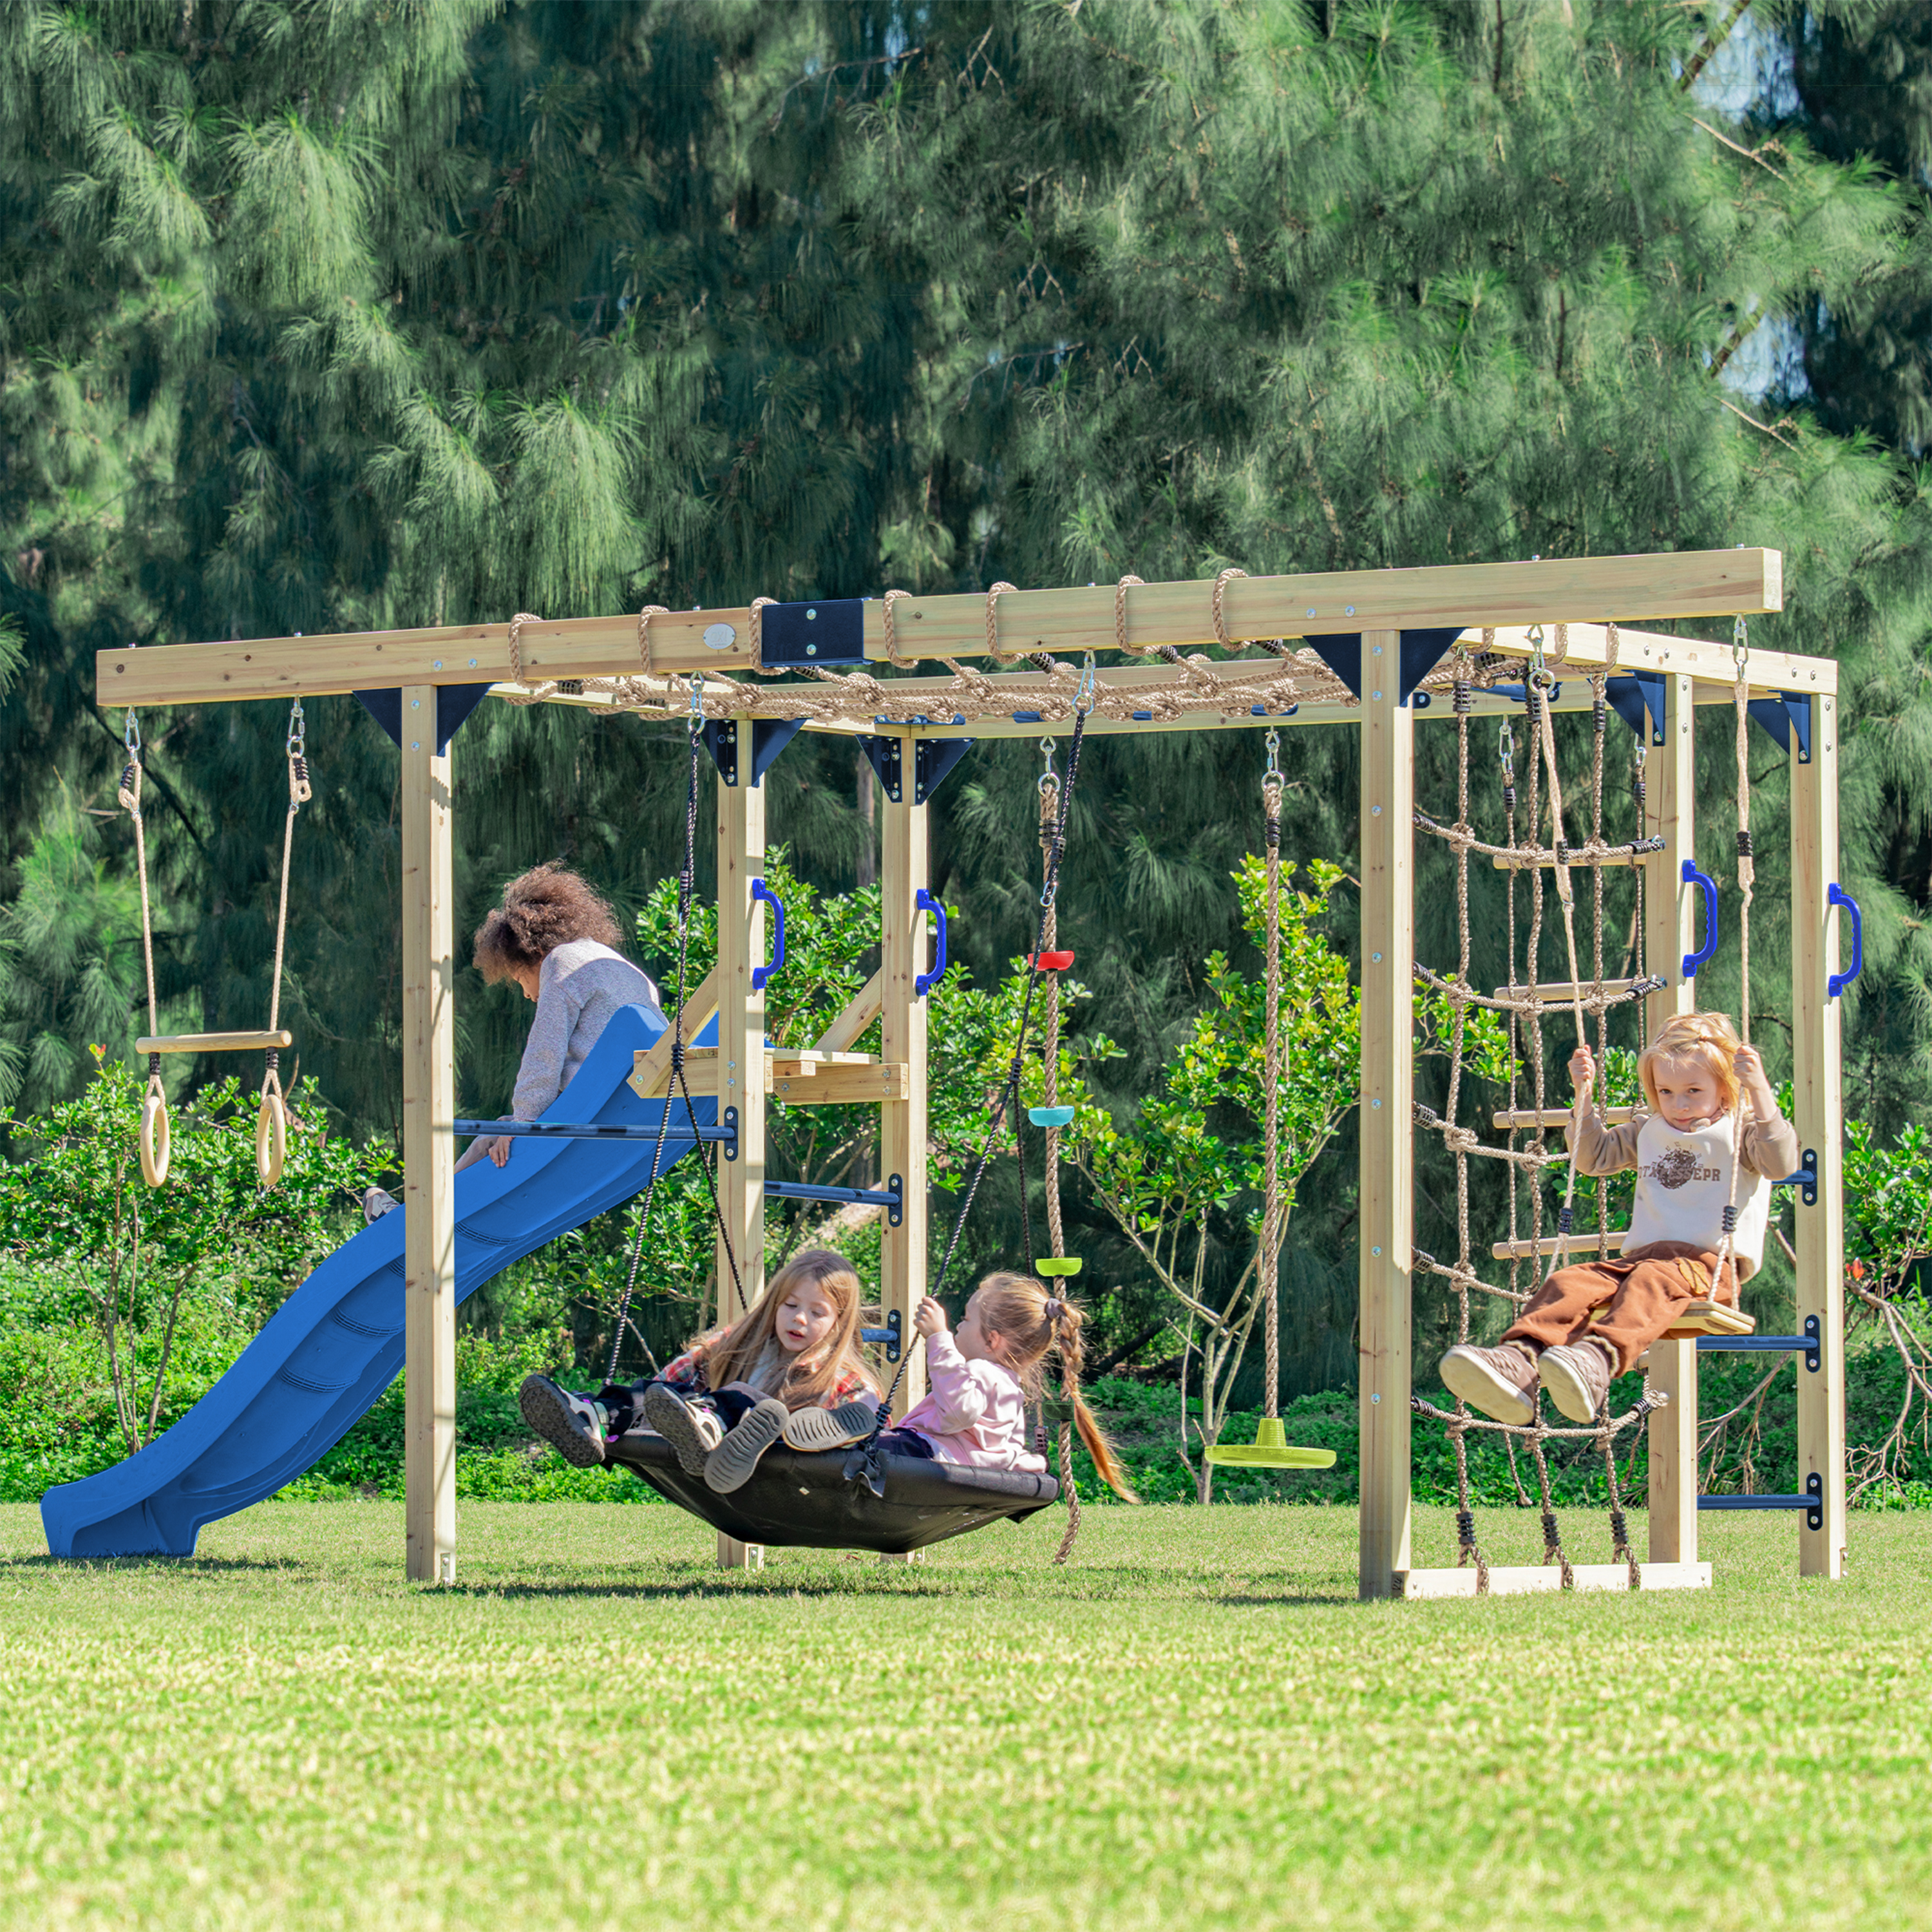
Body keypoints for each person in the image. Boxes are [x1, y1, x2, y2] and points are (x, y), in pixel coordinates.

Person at [1440, 1010, 1800, 1426]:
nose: (1677, 1104)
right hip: (1642, 1260)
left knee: (1651, 1281)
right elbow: (1592, 1157)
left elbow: (1780, 1163)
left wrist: (1758, 1089)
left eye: (1693, 1091)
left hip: (1708, 1268)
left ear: (1725, 1089)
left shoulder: (1743, 1132)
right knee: (1569, 1281)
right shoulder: (1649, 1129)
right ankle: (1519, 1362)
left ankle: (1597, 1360)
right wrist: (1584, 1096)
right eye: (1665, 1091)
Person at [363, 864, 661, 1220]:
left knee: (492, 1138)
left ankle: (411, 1220)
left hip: (583, 1118)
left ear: (533, 952)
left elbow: (544, 1057)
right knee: (500, 1131)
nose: (526, 994)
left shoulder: (563, 963)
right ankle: (419, 1213)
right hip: (637, 1114)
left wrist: (524, 1125)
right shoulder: (634, 975)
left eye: (520, 978)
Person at [519, 1249, 880, 1495]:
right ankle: (594, 1416)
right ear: (774, 1303)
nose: (800, 1318)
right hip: (705, 1438)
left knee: (749, 1400)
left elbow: (867, 1418)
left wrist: (864, 1408)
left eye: (818, 1313)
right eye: (790, 1305)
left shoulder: (838, 1374)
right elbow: (667, 1382)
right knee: (654, 1393)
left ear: (838, 1323)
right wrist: (652, 1403)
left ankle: (710, 1422)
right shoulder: (740, 1343)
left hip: (768, 1465)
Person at [781, 1271, 1141, 1502]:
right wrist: (1031, 1463)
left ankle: (835, 1433)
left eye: (967, 1321)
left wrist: (938, 1338)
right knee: (870, 1445)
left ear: (992, 1341)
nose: (958, 1329)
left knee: (865, 1450)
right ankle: (841, 1432)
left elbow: (959, 1410)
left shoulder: (984, 1372)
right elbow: (1004, 1449)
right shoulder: (1008, 1387)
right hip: (941, 1459)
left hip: (928, 1455)